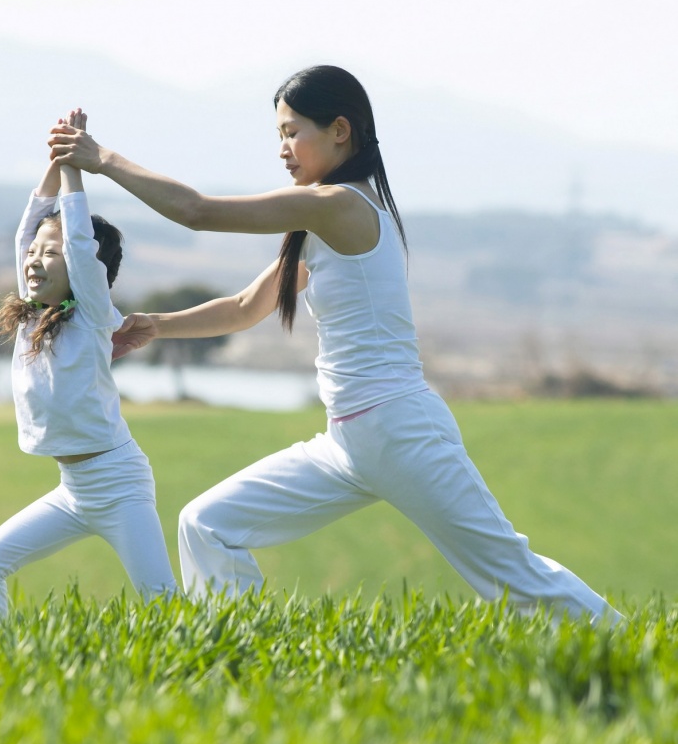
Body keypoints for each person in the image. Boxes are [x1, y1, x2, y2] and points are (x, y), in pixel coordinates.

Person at [49, 67, 621, 624]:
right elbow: (249, 306)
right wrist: (157, 325)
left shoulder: (340, 207)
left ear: (339, 130)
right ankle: (238, 656)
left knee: (512, 576)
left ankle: (631, 645)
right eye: (280, 135)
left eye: (292, 132)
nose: (283, 149)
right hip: (348, 442)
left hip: (401, 433)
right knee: (207, 523)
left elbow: (196, 212)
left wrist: (103, 160)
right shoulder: (321, 218)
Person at [0, 114, 177, 628]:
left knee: (164, 606)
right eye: (34, 255)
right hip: (74, 488)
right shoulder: (33, 312)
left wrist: (77, 173)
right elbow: (26, 232)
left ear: (89, 273)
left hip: (118, 484)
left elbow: (80, 246)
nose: (35, 262)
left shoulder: (92, 315)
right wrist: (56, 159)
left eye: (50, 254)